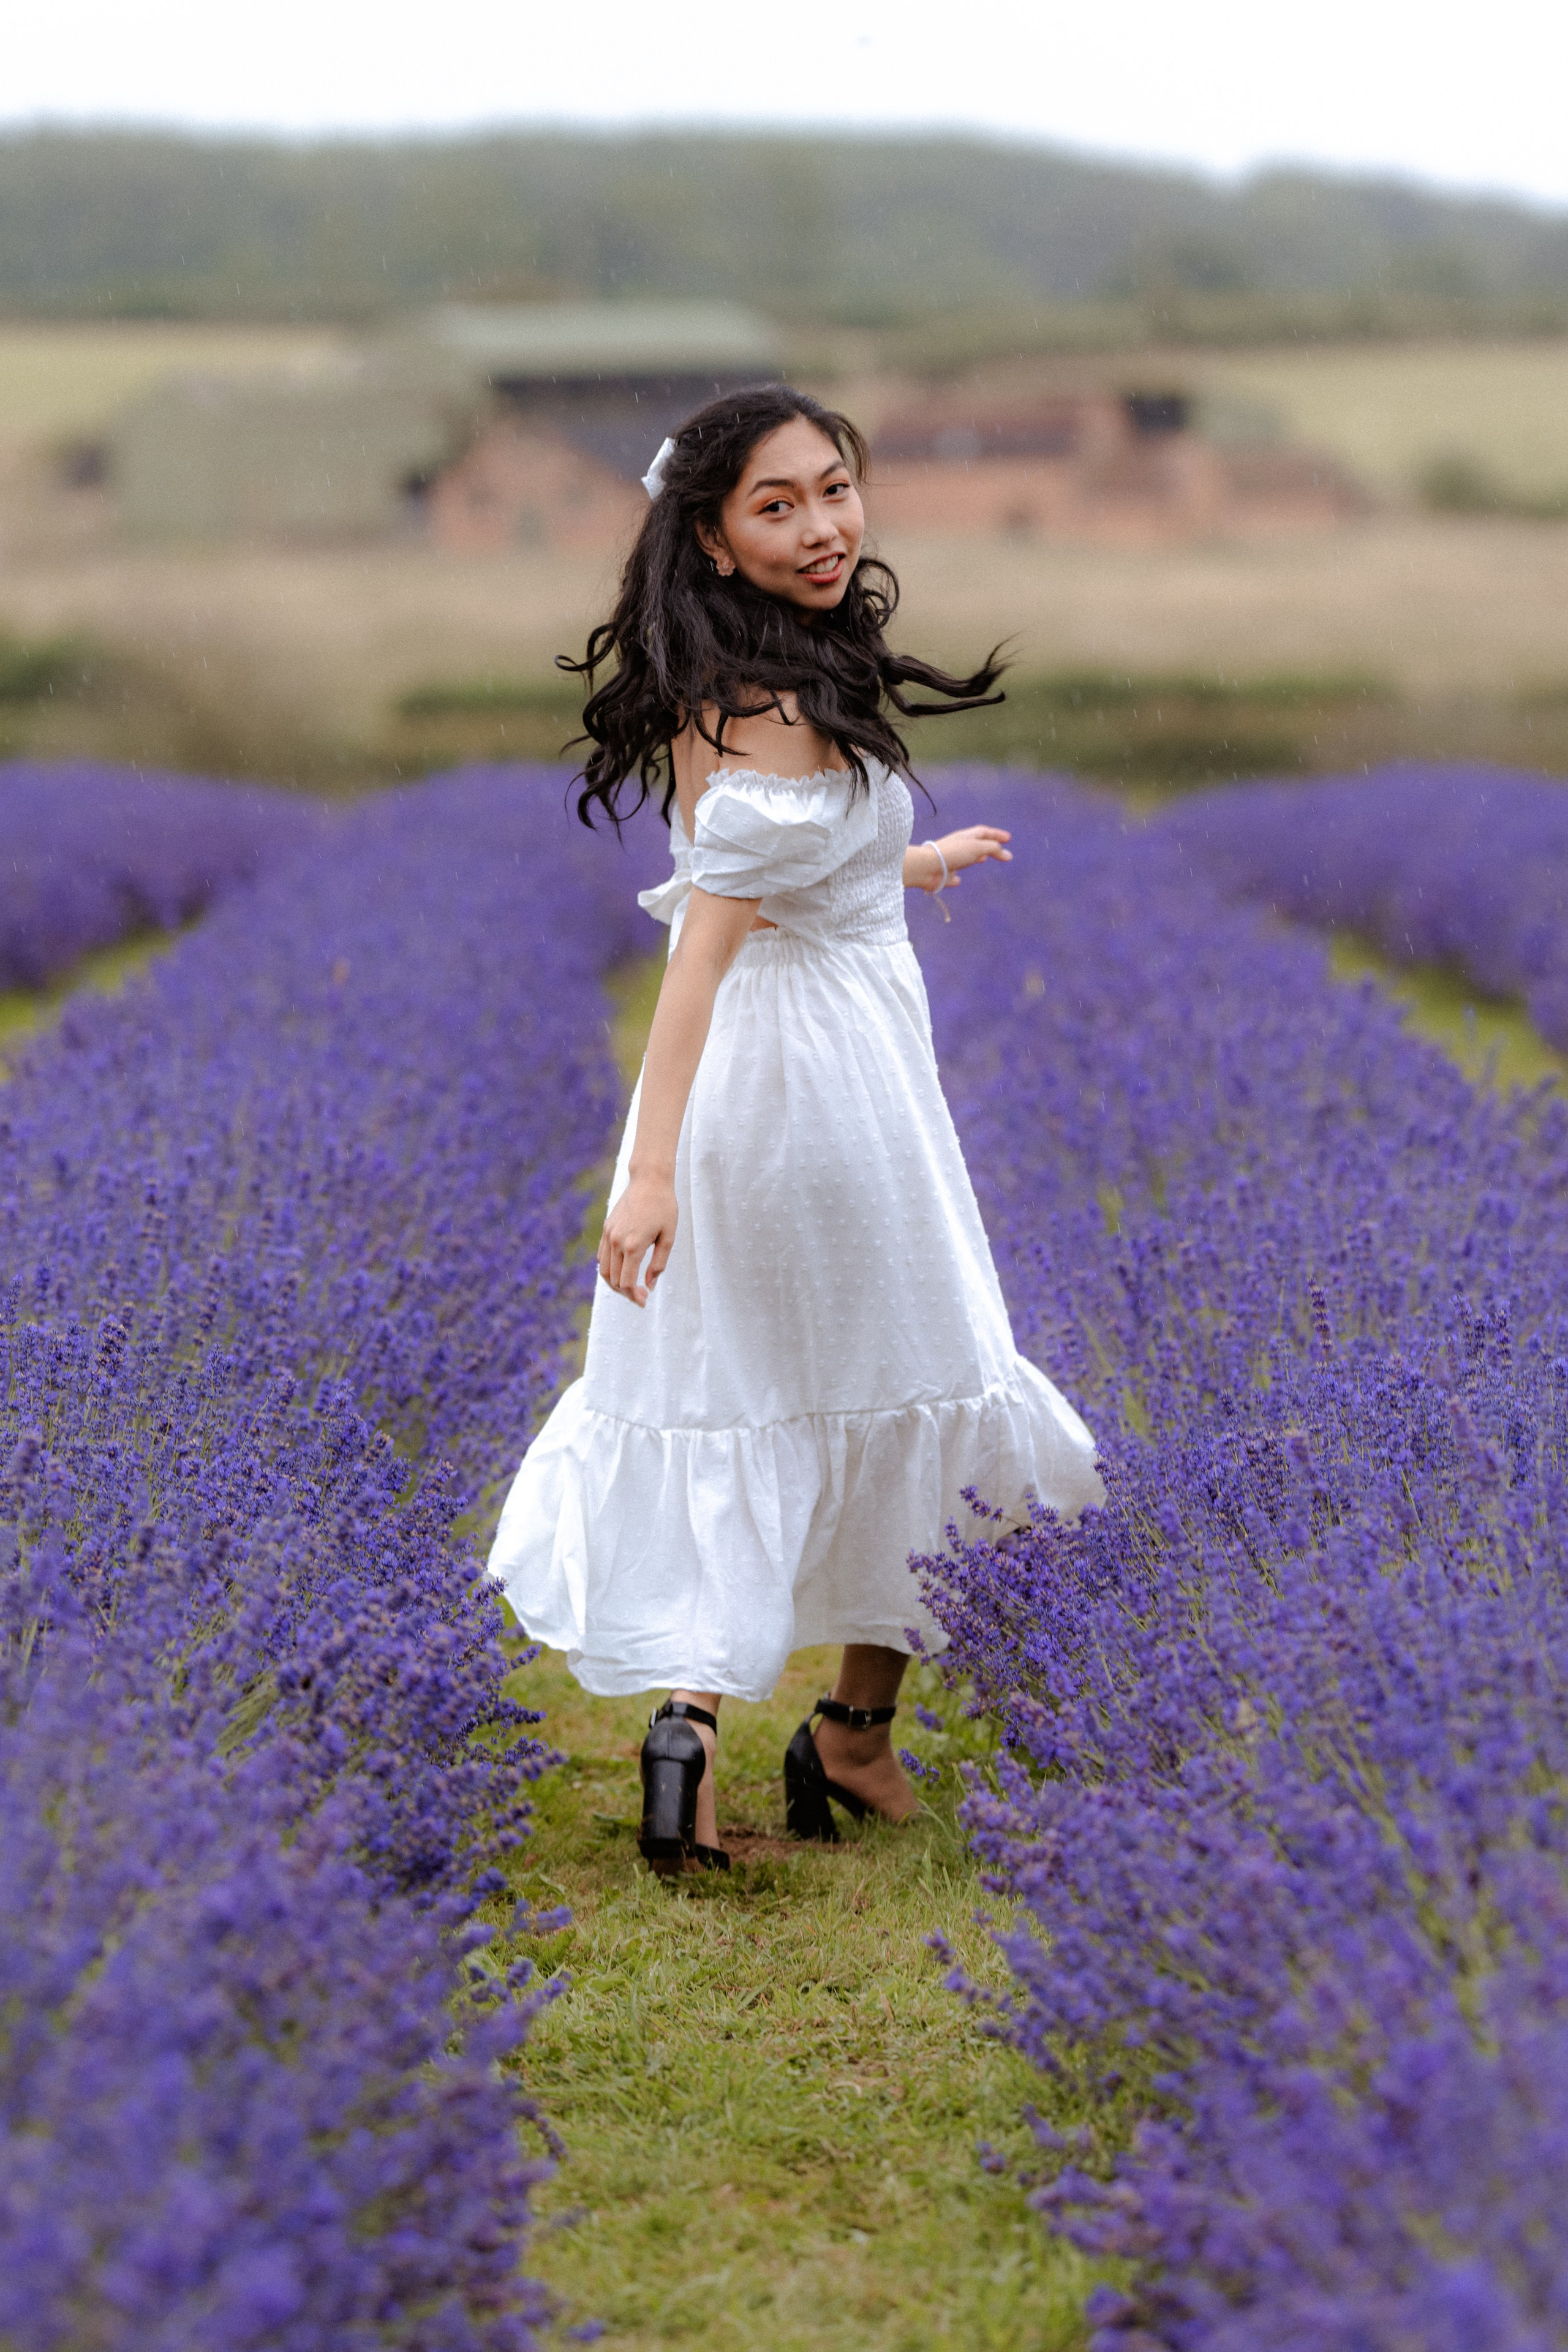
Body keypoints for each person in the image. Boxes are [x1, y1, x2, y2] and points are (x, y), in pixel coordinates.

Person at [487, 384, 1102, 1874]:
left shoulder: (731, 687)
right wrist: (641, 1175)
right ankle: (846, 1737)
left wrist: (909, 859)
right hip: (824, 1097)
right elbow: (702, 948)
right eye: (778, 505)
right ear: (710, 534)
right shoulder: (778, 712)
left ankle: (685, 1733)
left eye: (833, 488)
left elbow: (773, 876)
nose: (823, 525)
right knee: (930, 1382)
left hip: (752, 1096)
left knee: (737, 1391)